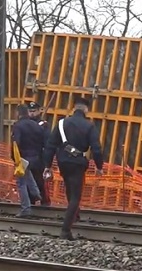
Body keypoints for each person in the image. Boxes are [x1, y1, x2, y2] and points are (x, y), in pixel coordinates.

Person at [43, 96, 104, 240]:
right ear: (86, 110)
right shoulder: (89, 126)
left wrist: (47, 166)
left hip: (63, 162)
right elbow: (96, 149)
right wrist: (99, 166)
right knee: (76, 196)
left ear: (74, 108)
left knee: (70, 190)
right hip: (78, 163)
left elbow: (50, 146)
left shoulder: (61, 123)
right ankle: (65, 231)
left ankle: (74, 215)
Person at [11, 104, 43, 217]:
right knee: (28, 175)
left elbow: (16, 144)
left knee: (21, 183)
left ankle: (26, 209)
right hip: (36, 158)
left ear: (18, 114)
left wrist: (15, 159)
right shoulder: (37, 126)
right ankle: (36, 193)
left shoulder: (18, 126)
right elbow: (42, 142)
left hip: (23, 158)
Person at [28, 101, 51, 206]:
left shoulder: (43, 125)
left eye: (34, 111)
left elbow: (47, 143)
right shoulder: (26, 124)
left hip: (39, 157)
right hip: (27, 157)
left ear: (38, 111)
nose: (32, 113)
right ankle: (31, 201)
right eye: (30, 111)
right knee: (28, 181)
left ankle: (45, 202)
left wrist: (47, 161)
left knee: (40, 181)